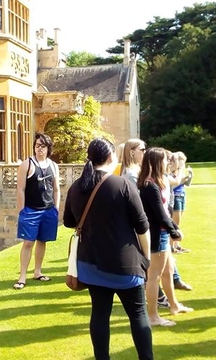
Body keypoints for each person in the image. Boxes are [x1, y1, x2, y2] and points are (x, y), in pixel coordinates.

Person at [63, 138, 152, 360]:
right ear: (111, 156)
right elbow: (142, 226)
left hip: (91, 262)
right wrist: (146, 259)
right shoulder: (121, 184)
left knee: (100, 313)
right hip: (125, 264)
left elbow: (68, 221)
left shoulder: (77, 186)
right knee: (138, 313)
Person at [138, 148, 193, 326]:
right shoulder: (149, 185)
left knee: (168, 271)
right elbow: (160, 214)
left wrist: (172, 229)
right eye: (164, 160)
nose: (167, 163)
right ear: (155, 162)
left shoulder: (156, 182)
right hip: (156, 234)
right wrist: (175, 231)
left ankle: (174, 305)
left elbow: (164, 213)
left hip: (161, 232)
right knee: (154, 276)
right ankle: (153, 317)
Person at [14, 133, 60, 290]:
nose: (39, 149)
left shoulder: (53, 166)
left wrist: (56, 208)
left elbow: (56, 189)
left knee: (42, 241)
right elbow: (20, 189)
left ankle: (38, 272)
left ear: (48, 148)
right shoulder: (27, 164)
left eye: (42, 146)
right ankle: (22, 277)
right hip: (31, 210)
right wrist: (22, 210)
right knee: (28, 243)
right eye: (37, 146)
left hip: (48, 210)